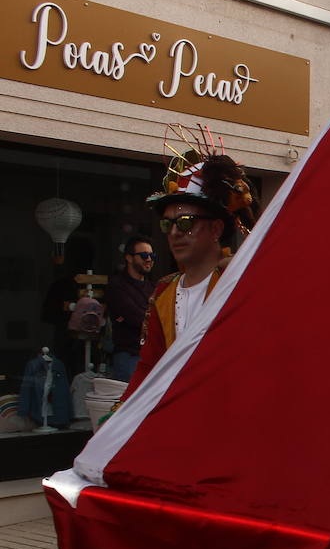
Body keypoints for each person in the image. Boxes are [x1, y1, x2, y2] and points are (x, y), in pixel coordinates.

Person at [122, 134, 257, 399]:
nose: (174, 232)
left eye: (185, 222)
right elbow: (149, 365)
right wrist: (122, 411)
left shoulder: (240, 283)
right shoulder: (164, 292)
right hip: (176, 410)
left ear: (216, 229)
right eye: (167, 224)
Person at [107, 235, 158, 382]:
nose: (149, 259)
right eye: (144, 255)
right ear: (129, 258)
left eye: (152, 255)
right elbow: (137, 318)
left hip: (153, 356)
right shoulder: (117, 286)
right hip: (129, 356)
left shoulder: (153, 287)